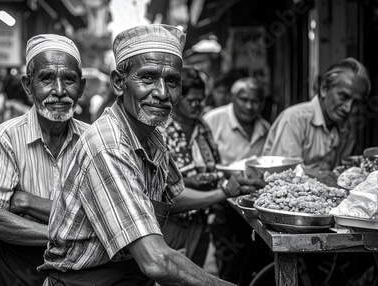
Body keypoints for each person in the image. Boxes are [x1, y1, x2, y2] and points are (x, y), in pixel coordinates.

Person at [40, 24, 264, 286]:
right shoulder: (110, 147)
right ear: (118, 82)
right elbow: (156, 261)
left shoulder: (151, 135)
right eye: (147, 78)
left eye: (172, 81)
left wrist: (227, 190)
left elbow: (175, 194)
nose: (162, 93)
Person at [0, 34, 89, 286]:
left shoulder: (93, 140)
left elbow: (101, 214)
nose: (59, 91)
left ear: (81, 86)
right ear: (28, 85)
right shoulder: (7, 136)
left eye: (69, 79)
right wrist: (70, 233)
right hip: (13, 268)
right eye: (46, 78)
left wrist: (25, 201)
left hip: (76, 272)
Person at [202, 77, 273, 284]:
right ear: (233, 98)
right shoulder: (213, 120)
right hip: (224, 203)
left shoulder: (265, 129)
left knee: (258, 257)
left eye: (256, 101)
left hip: (255, 204)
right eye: (244, 100)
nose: (250, 106)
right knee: (230, 261)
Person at [262, 57, 371, 187]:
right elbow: (282, 174)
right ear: (324, 88)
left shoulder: (345, 129)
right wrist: (317, 175)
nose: (348, 108)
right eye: (344, 97)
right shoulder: (295, 119)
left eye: (356, 103)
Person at [159, 66, 221, 266]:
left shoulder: (203, 128)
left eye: (201, 100)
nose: (197, 105)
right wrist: (189, 182)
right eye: (191, 100)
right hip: (173, 222)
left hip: (201, 220)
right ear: (178, 99)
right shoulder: (162, 130)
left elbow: (216, 163)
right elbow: (157, 183)